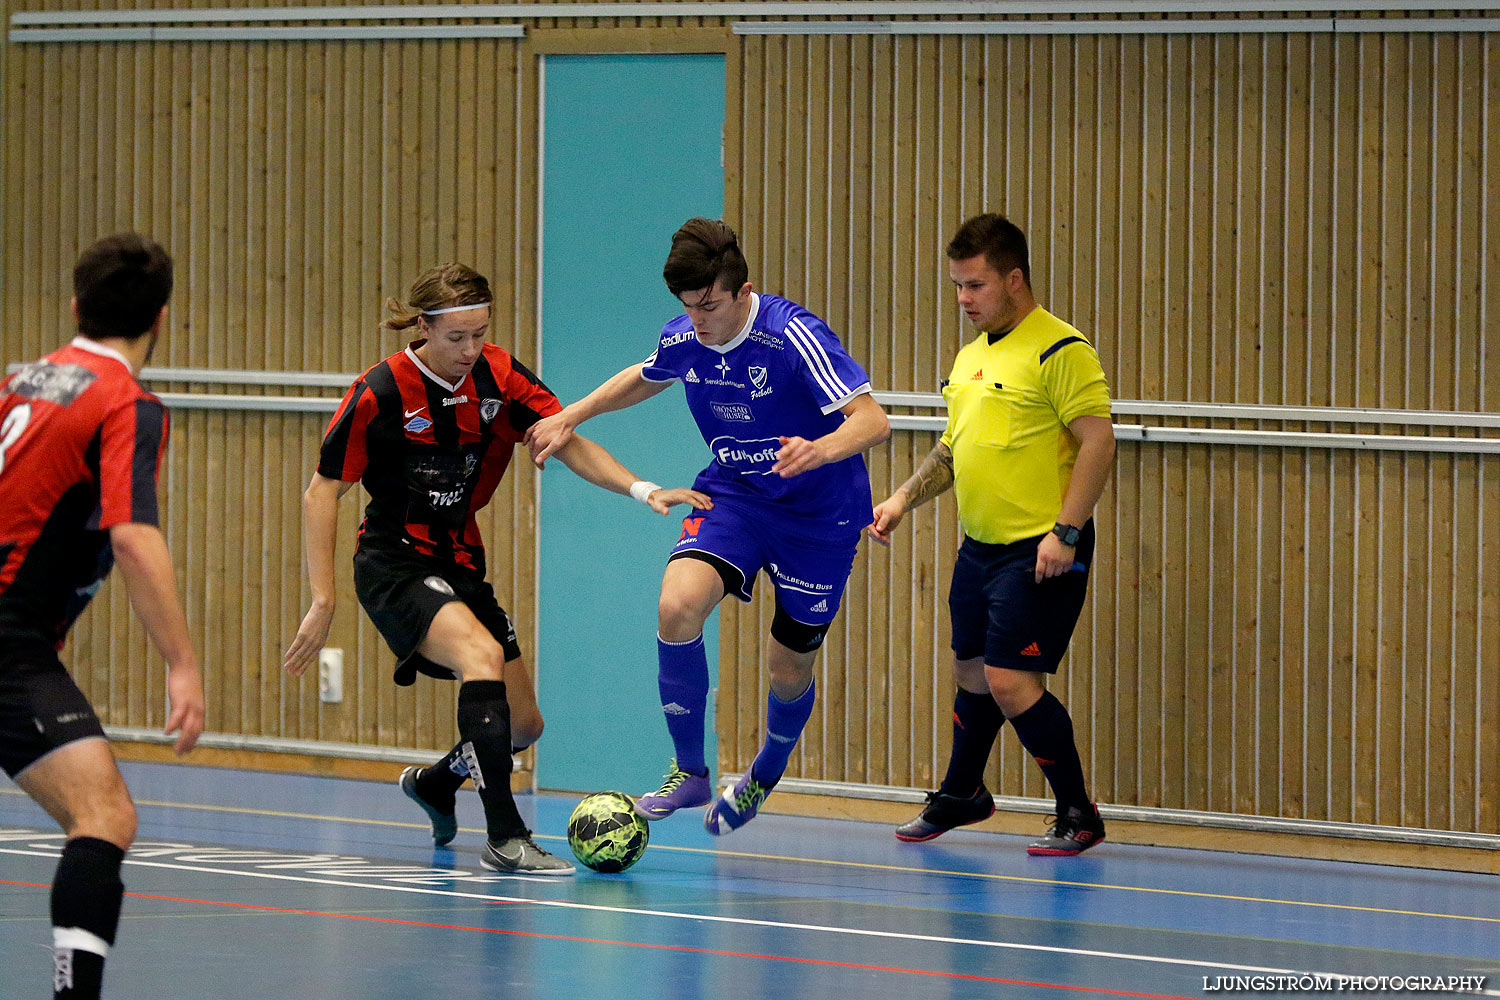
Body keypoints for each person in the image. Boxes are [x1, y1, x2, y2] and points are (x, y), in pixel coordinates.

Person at [283, 263, 707, 875]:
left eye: (480, 334)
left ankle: (434, 783)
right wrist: (322, 599)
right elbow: (321, 491)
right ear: (423, 328)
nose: (469, 350)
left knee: (524, 725)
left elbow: (561, 435)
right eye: (456, 338)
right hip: (394, 562)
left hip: (461, 561)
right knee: (479, 658)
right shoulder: (380, 391)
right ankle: (506, 837)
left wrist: (642, 489)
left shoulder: (498, 375)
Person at [527, 218, 889, 835]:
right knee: (677, 605)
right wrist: (570, 416)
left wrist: (821, 449)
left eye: (710, 304)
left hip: (819, 513)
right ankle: (691, 771)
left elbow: (873, 420)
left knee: (789, 665)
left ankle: (764, 775)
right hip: (736, 495)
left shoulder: (791, 334)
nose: (699, 318)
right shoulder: (686, 336)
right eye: (688, 306)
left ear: (744, 290)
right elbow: (645, 375)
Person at [870, 213, 1115, 856]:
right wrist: (900, 497)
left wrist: (1066, 531)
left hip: (1039, 549)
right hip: (978, 546)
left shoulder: (1061, 349)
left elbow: (1099, 442)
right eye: (956, 286)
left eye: (974, 285)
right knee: (973, 671)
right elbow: (954, 449)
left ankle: (1077, 812)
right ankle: (962, 793)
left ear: (1013, 278)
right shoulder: (970, 357)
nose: (963, 299)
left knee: (1010, 679)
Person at [0, 234, 206, 999]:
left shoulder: (22, 379)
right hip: (10, 639)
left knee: (101, 814)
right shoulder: (126, 402)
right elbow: (132, 536)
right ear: (160, 319)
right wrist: (182, 663)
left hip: (19, 641)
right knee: (104, 814)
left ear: (77, 305)